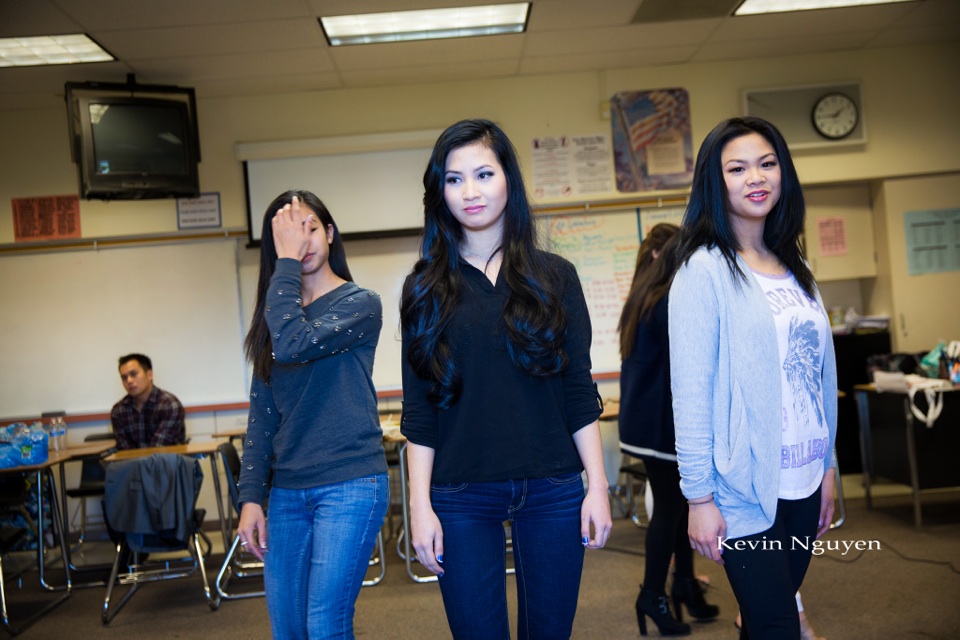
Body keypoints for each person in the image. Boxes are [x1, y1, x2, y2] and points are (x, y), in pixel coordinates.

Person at [400, 118, 612, 639]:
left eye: (483, 174)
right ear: (439, 191)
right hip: (460, 493)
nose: (469, 191)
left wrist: (598, 486)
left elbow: (578, 392)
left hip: (553, 486)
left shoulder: (555, 276)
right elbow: (421, 410)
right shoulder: (425, 288)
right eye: (453, 179)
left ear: (509, 182)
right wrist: (419, 506)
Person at [668, 116, 838, 640]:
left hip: (806, 476)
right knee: (776, 625)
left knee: (767, 622)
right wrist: (699, 499)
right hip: (744, 489)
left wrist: (828, 464)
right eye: (737, 168)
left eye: (767, 164)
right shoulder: (704, 271)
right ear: (715, 183)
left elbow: (820, 374)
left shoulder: (794, 264)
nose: (756, 177)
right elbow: (691, 394)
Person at [236, 190, 388, 639]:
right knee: (288, 628)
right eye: (289, 235)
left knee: (325, 625)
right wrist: (250, 498)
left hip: (351, 483)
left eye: (310, 228)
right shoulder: (274, 320)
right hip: (288, 493)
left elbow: (294, 344)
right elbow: (262, 418)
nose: (302, 242)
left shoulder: (360, 303)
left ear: (331, 234)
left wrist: (284, 265)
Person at [618, 223, 718, 637]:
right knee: (672, 512)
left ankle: (683, 587)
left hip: (645, 424)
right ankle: (654, 594)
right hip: (662, 425)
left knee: (677, 511)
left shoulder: (643, 293)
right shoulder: (667, 299)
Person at [110, 353, 186, 450]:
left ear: (149, 375)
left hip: (166, 463)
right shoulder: (118, 411)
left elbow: (158, 449)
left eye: (133, 374)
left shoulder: (170, 405)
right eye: (124, 377)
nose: (129, 381)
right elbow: (124, 452)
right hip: (131, 464)